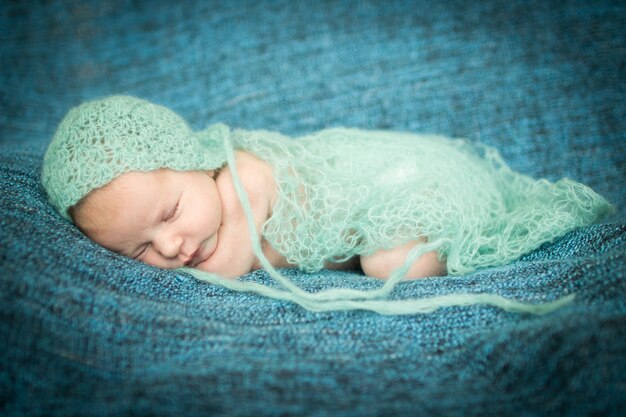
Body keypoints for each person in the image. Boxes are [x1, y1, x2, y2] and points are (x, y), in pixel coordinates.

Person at [41, 95, 614, 314]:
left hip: (402, 181)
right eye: (138, 247)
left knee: (393, 264)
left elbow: (228, 265)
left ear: (196, 160)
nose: (171, 247)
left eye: (169, 214)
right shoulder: (193, 205)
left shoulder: (245, 176)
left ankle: (457, 228)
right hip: (388, 198)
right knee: (388, 259)